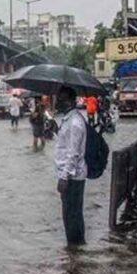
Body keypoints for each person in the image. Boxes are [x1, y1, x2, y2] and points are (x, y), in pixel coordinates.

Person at [55, 86, 88, 246]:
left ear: (68, 101)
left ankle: (75, 248)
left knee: (72, 215)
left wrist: (64, 177)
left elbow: (73, 153)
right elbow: (66, 145)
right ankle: (76, 252)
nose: (57, 103)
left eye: (60, 100)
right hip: (70, 175)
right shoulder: (69, 119)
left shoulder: (75, 122)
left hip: (73, 177)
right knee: (70, 214)